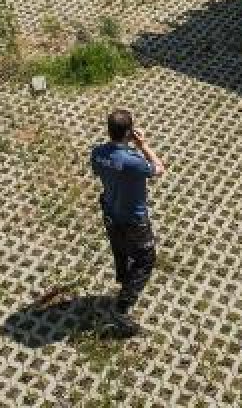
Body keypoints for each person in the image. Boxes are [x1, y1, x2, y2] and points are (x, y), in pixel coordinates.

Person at [90, 109, 165, 337]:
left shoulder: (98, 153)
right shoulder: (134, 162)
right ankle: (122, 308)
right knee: (146, 259)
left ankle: (124, 279)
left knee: (120, 250)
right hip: (134, 219)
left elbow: (99, 171)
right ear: (129, 132)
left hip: (111, 214)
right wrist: (143, 145)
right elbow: (159, 169)